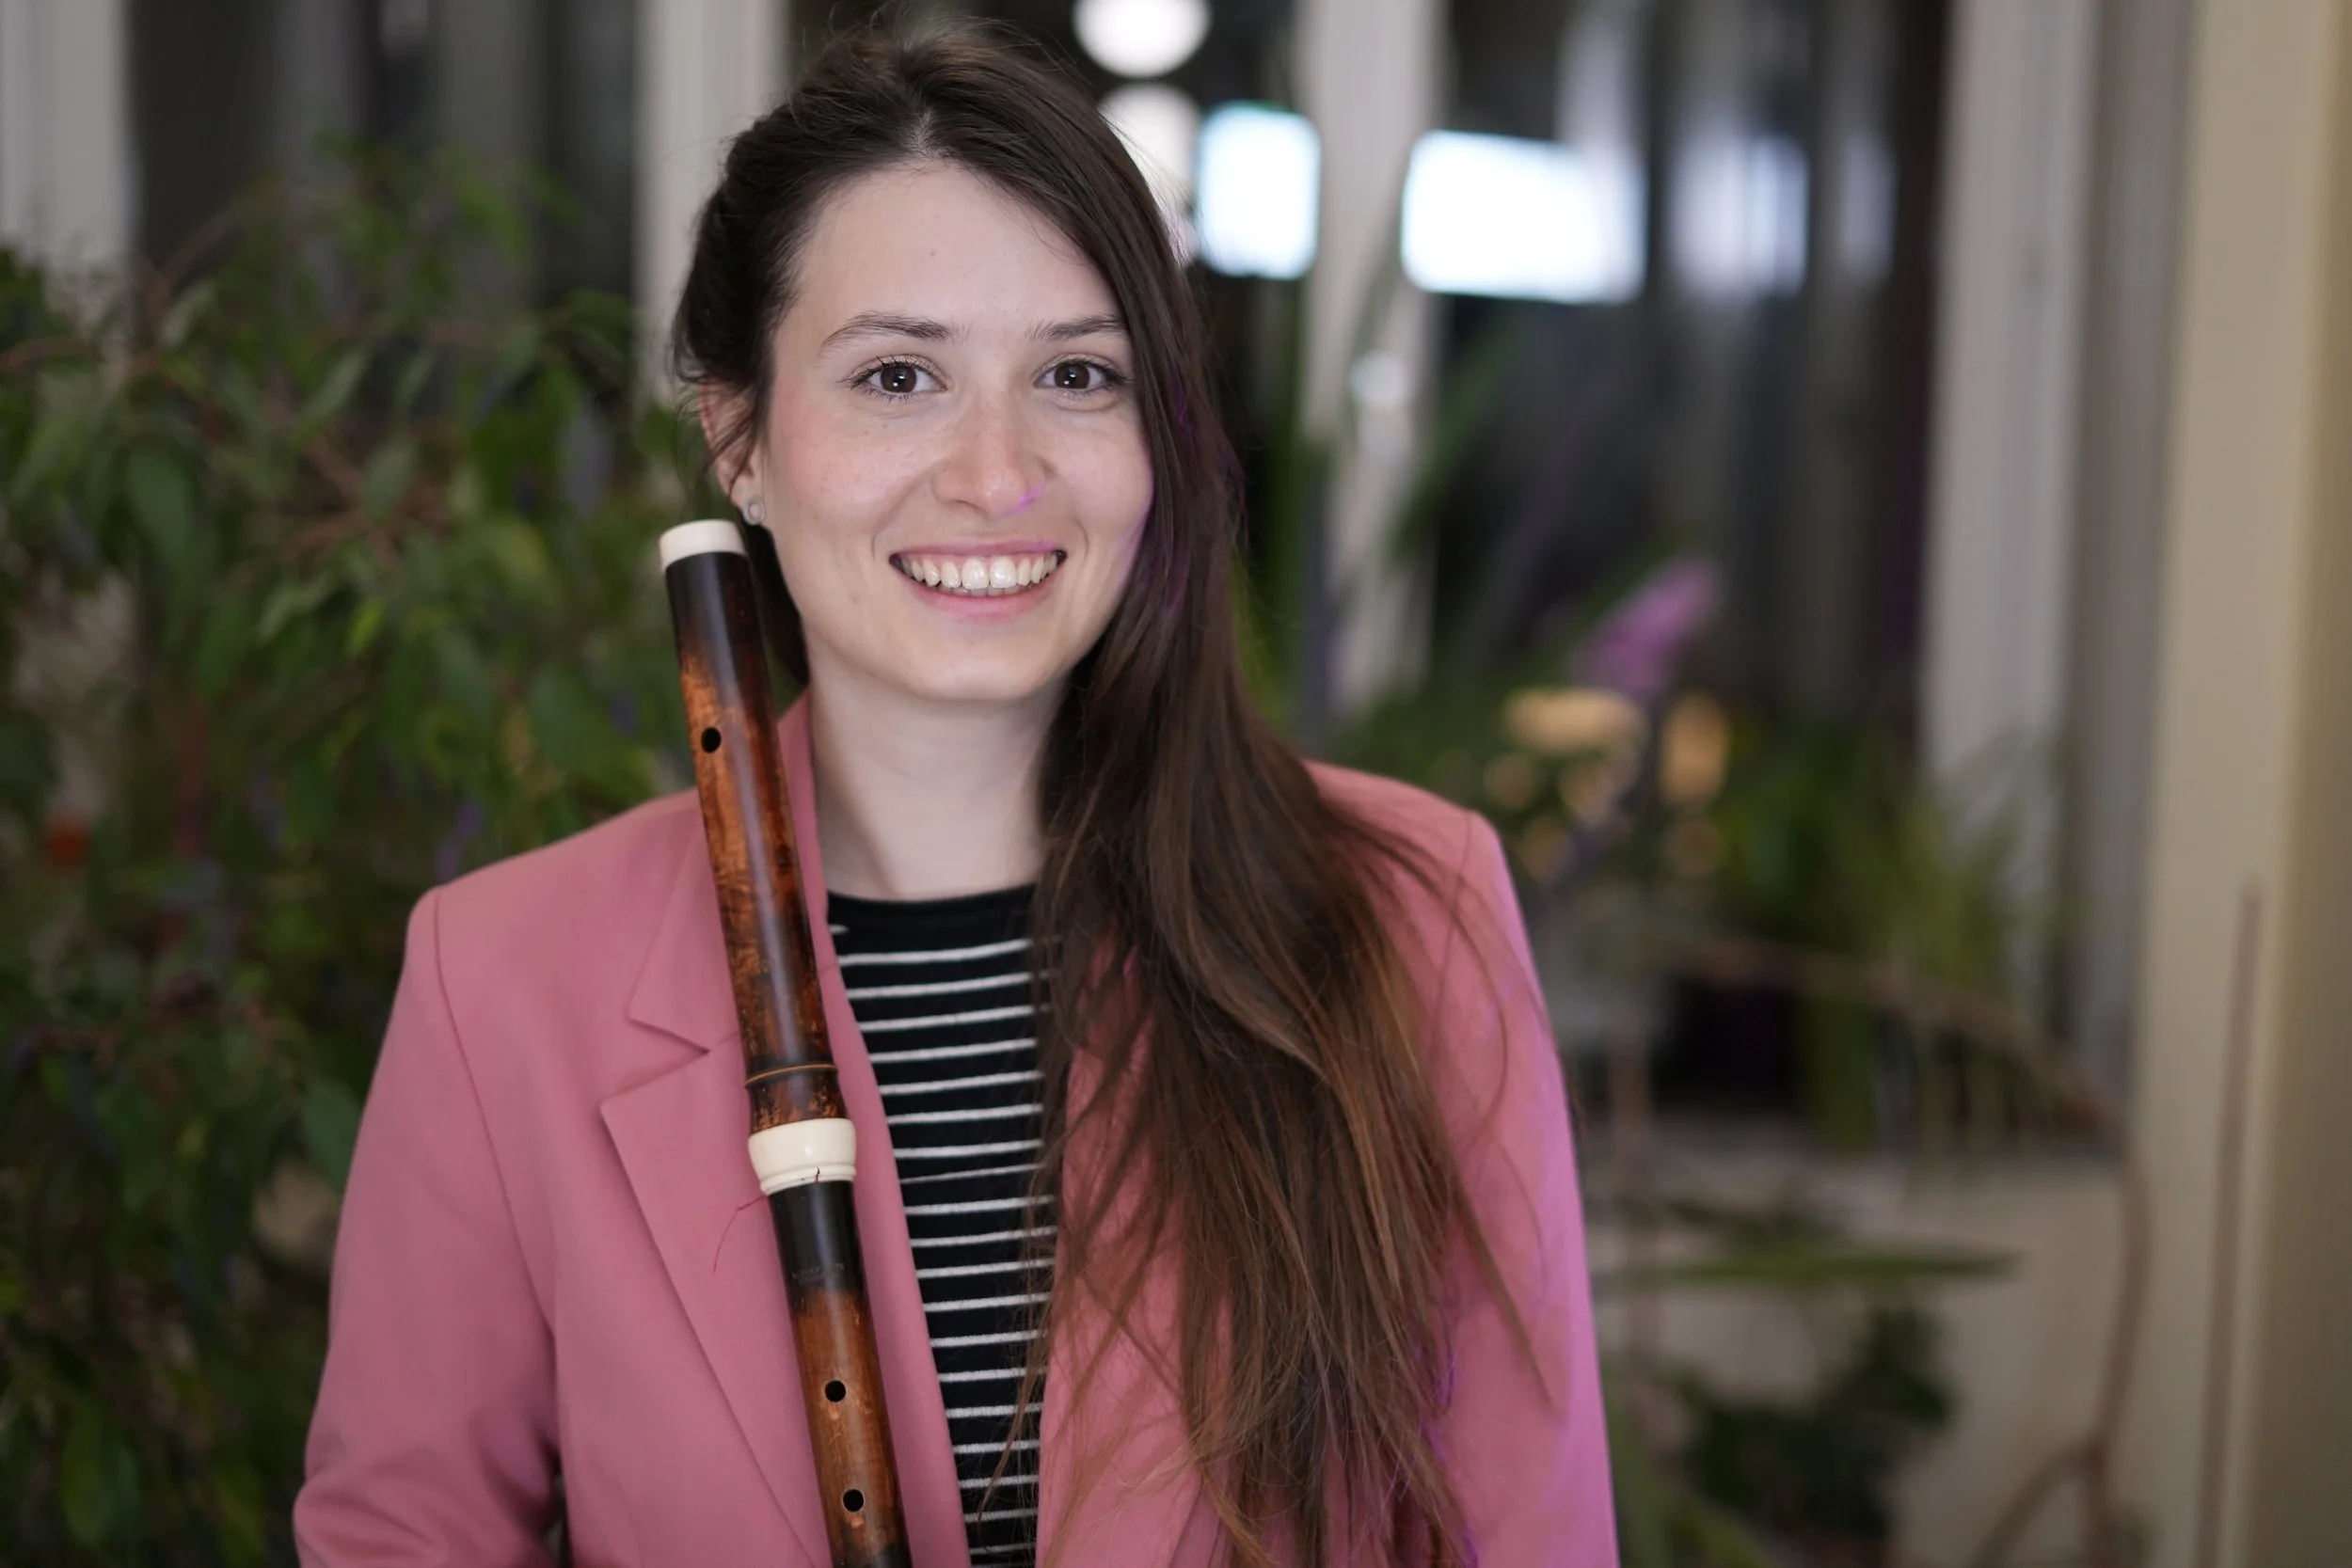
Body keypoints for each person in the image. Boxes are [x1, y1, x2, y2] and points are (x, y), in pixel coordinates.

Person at [295, 27, 1614, 1568]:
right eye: (898, 376)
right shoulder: (503, 981)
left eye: (1076, 374)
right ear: (738, 435)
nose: (998, 474)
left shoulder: (1409, 909)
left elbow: (1529, 1536)